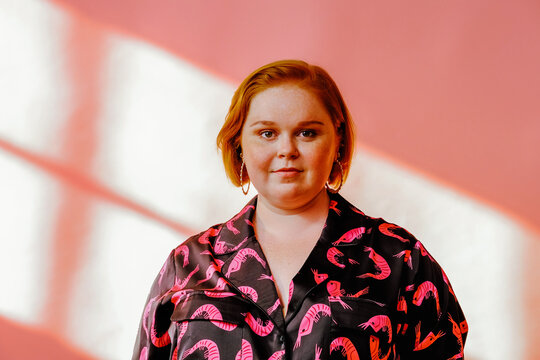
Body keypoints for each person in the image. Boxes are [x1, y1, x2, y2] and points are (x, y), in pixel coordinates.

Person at [132, 60, 467, 360]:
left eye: (307, 133)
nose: (286, 149)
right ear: (240, 146)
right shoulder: (188, 265)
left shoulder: (400, 260)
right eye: (267, 133)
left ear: (336, 139)